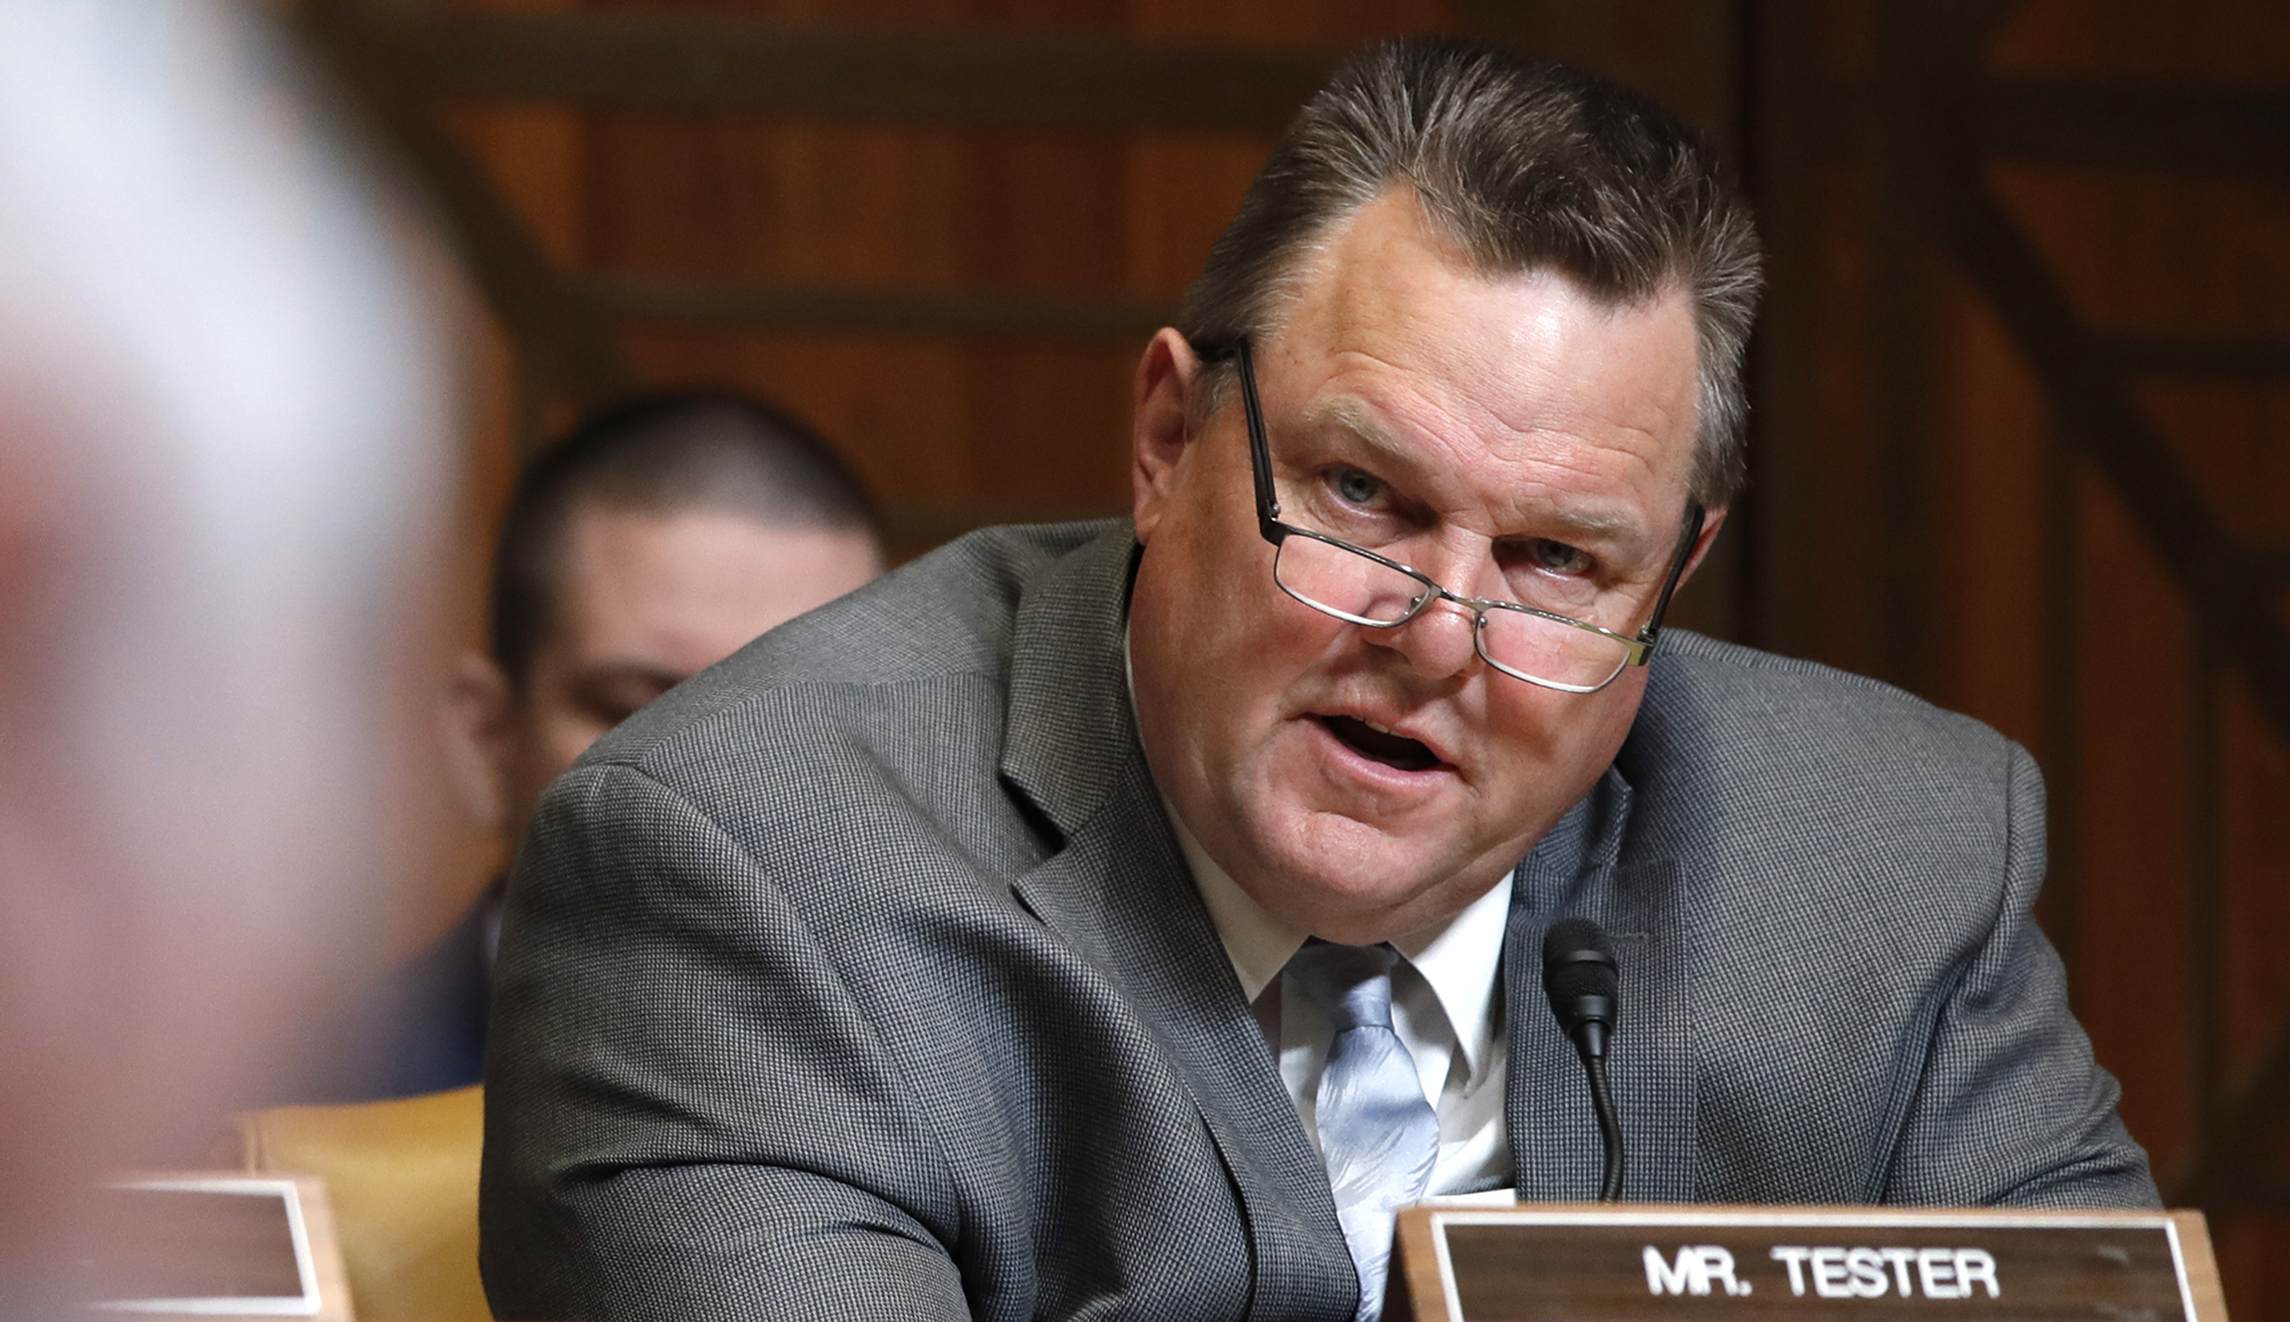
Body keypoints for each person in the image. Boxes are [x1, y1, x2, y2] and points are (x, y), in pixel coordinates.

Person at [481, 37, 2156, 1322]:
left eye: (1561, 561)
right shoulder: (745, 874)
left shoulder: (1890, 866)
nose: (1438, 632)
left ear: (1676, 577)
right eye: (1365, 495)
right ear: (1165, 440)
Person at [342, 390, 883, 1099]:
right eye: (637, 712)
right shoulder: (264, 1113)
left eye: (792, 724)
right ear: (486, 740)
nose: (716, 789)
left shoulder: (1002, 1126)